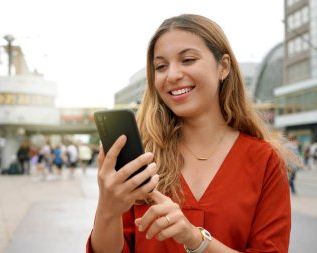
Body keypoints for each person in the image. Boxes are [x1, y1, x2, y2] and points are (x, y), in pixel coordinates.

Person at [87, 14, 291, 253]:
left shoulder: (264, 160)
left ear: (223, 67)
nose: (172, 75)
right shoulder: (141, 158)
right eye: (161, 67)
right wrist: (108, 208)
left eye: (188, 60)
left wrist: (197, 240)